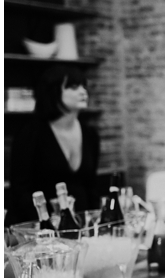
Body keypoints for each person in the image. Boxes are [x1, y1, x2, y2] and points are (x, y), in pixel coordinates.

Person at [7, 65, 100, 225]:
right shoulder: (30, 134)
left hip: (82, 224)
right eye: (73, 87)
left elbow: (91, 186)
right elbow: (20, 191)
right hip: (43, 226)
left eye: (83, 86)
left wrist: (95, 222)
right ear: (53, 91)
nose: (83, 92)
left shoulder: (90, 134)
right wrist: (44, 226)